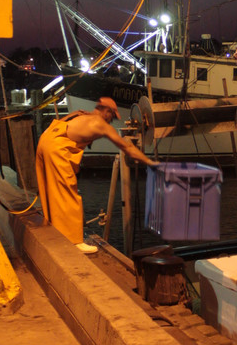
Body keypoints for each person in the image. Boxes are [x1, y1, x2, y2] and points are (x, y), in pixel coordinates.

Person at [35, 97, 156, 253]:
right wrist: (151, 163)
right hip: (57, 148)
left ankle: (55, 230)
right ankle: (73, 241)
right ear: (106, 111)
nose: (112, 120)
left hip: (45, 140)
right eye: (112, 115)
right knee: (67, 193)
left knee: (51, 190)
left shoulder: (79, 114)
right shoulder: (101, 125)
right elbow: (128, 149)